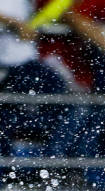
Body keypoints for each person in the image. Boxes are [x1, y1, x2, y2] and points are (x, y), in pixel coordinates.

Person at [0, 0, 70, 157]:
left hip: (24, 62)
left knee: (66, 103)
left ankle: (48, 162)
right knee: (6, 119)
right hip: (9, 64)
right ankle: (47, 163)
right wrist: (15, 24)